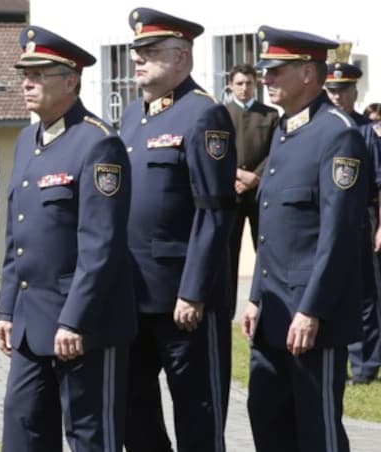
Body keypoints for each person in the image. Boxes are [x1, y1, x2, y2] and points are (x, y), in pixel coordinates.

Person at [0, 25, 135, 452]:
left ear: (71, 81)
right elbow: (19, 231)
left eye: (39, 75)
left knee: (90, 436)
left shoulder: (97, 143)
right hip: (30, 321)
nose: (27, 83)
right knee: (22, 428)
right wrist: (5, 310)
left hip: (84, 324)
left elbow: (101, 244)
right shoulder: (26, 140)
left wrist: (74, 318)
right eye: (24, 74)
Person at [242, 25, 368, 452]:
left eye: (277, 70)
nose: (267, 78)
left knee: (318, 432)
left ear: (309, 75)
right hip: (275, 311)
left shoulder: (338, 134)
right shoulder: (284, 130)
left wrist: (311, 309)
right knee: (267, 419)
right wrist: (257, 296)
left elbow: (339, 235)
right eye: (266, 71)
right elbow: (273, 227)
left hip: (314, 318)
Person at [119, 7, 237, 452]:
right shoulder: (133, 115)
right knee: (133, 408)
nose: (138, 60)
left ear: (182, 58)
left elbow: (215, 211)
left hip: (184, 300)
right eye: (136, 52)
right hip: (135, 295)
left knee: (197, 413)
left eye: (150, 51)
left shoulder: (203, 115)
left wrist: (193, 292)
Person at [324, 62, 381, 385]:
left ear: (354, 92)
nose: (336, 97)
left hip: (363, 217)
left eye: (342, 91)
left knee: (366, 295)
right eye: (331, 90)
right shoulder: (324, 127)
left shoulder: (366, 130)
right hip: (330, 220)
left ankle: (365, 366)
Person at [225, 64, 279, 315]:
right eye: (239, 83)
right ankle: (227, 306)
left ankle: (267, 303)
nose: (244, 88)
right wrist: (237, 174)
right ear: (230, 85)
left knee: (265, 249)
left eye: (248, 83)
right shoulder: (221, 114)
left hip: (260, 194)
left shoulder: (270, 115)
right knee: (228, 253)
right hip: (231, 192)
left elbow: (275, 151)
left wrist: (255, 177)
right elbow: (215, 152)